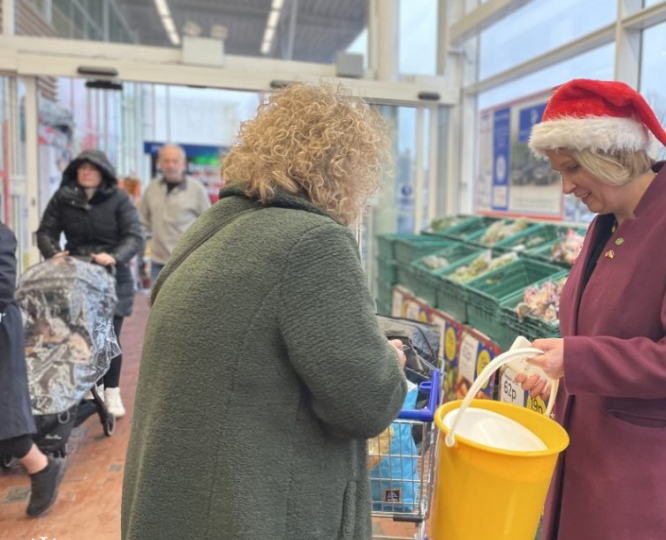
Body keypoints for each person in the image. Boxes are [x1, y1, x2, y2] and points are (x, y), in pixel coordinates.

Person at [122, 83, 409, 540]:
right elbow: (365, 403)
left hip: (180, 502)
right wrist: (391, 362)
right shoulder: (313, 243)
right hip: (254, 511)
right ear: (346, 168)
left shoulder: (213, 227)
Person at [519, 80, 666, 540]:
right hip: (589, 476)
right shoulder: (604, 227)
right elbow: (600, 337)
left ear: (613, 154)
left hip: (649, 493)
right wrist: (558, 370)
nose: (566, 187)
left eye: (571, 168)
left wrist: (578, 360)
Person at [36, 150, 143, 418]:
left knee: (109, 336)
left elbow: (134, 236)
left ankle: (112, 391)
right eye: (81, 168)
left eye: (92, 168)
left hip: (112, 277)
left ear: (103, 172)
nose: (86, 172)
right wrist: (53, 252)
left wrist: (115, 256)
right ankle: (89, 386)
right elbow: (46, 232)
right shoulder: (64, 198)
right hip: (77, 274)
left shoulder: (119, 199)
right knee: (81, 335)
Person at [0, 223, 67, 517]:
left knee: (5, 414)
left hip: (1, 331)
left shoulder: (1, 235)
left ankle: (42, 468)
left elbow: (3, 286)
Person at [139, 144, 211, 285]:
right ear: (159, 164)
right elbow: (142, 222)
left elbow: (209, 224)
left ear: (183, 164)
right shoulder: (151, 188)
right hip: (158, 263)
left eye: (175, 161)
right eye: (166, 161)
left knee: (185, 305)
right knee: (156, 305)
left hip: (186, 262)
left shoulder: (197, 190)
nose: (170, 165)